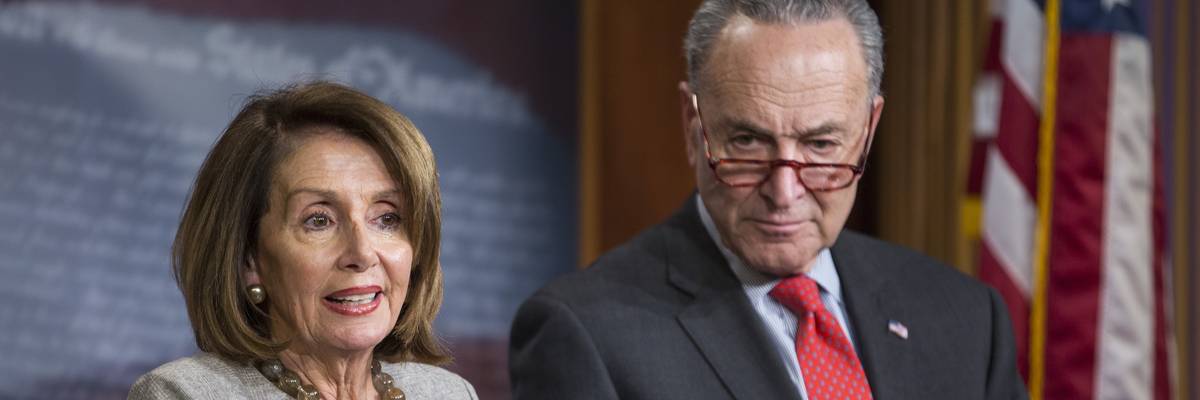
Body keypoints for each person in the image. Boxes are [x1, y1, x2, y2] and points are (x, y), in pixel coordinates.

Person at [509, 1, 1027, 399]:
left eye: (821, 145)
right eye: (747, 144)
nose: (784, 192)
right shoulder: (586, 334)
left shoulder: (966, 319)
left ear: (868, 130)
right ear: (694, 127)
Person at [129, 82, 477, 400]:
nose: (361, 253)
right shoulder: (186, 394)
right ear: (249, 258)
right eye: (319, 220)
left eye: (387, 218)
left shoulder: (449, 393)